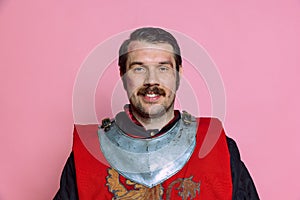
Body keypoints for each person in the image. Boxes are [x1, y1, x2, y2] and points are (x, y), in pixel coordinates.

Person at [54, 27, 259, 199]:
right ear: (123, 75)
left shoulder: (217, 146)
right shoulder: (88, 153)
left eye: (163, 68)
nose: (151, 81)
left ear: (178, 74)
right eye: (139, 69)